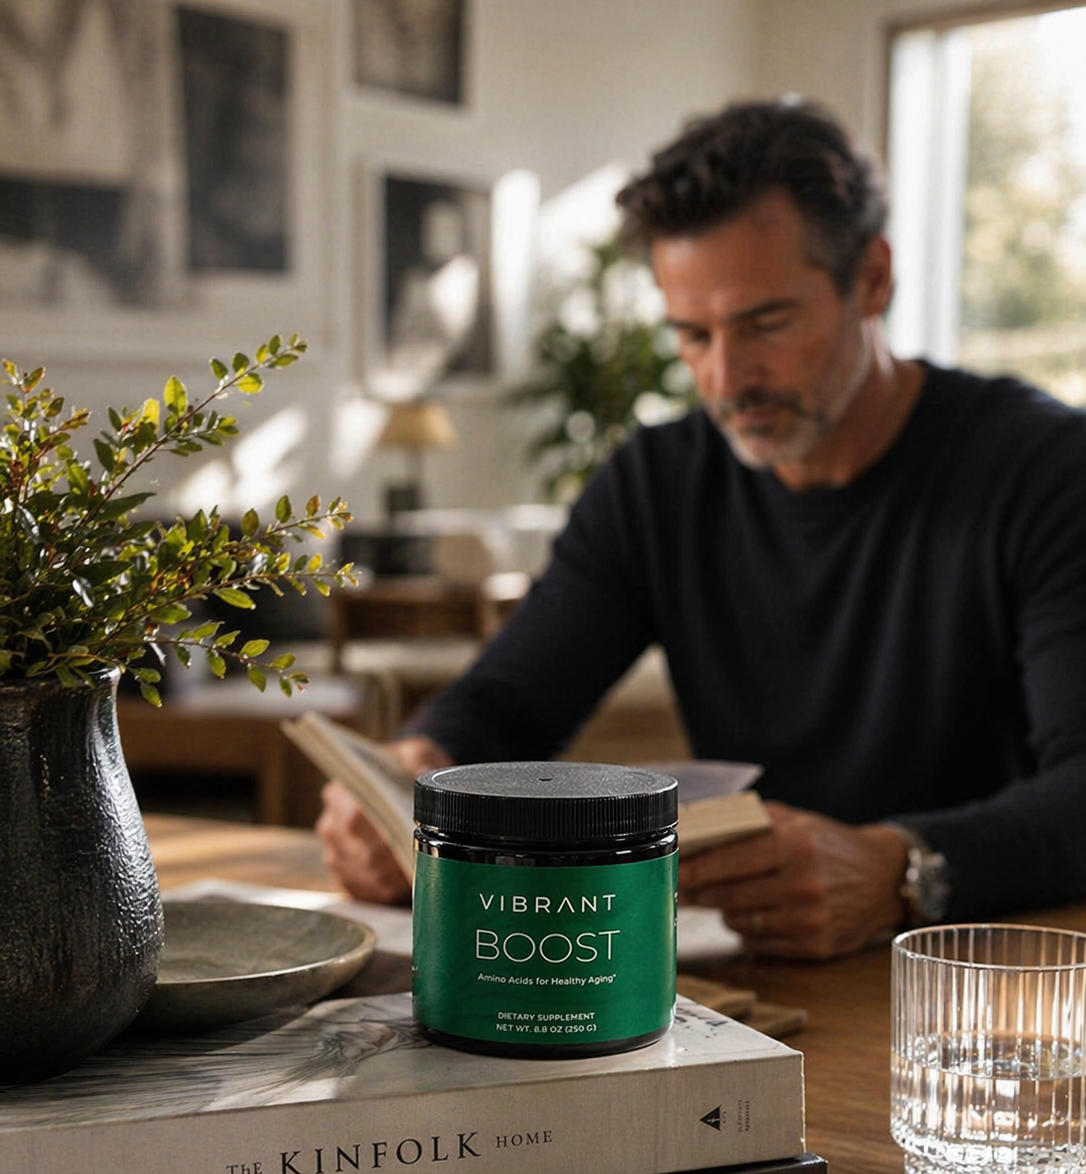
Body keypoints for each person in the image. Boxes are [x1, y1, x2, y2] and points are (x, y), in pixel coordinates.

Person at [318, 97, 1086, 959]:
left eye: (766, 324)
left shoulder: (1047, 470)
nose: (727, 377)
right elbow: (512, 698)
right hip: (765, 967)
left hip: (1002, 973)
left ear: (872, 278)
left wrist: (904, 868)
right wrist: (412, 777)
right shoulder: (659, 483)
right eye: (692, 334)